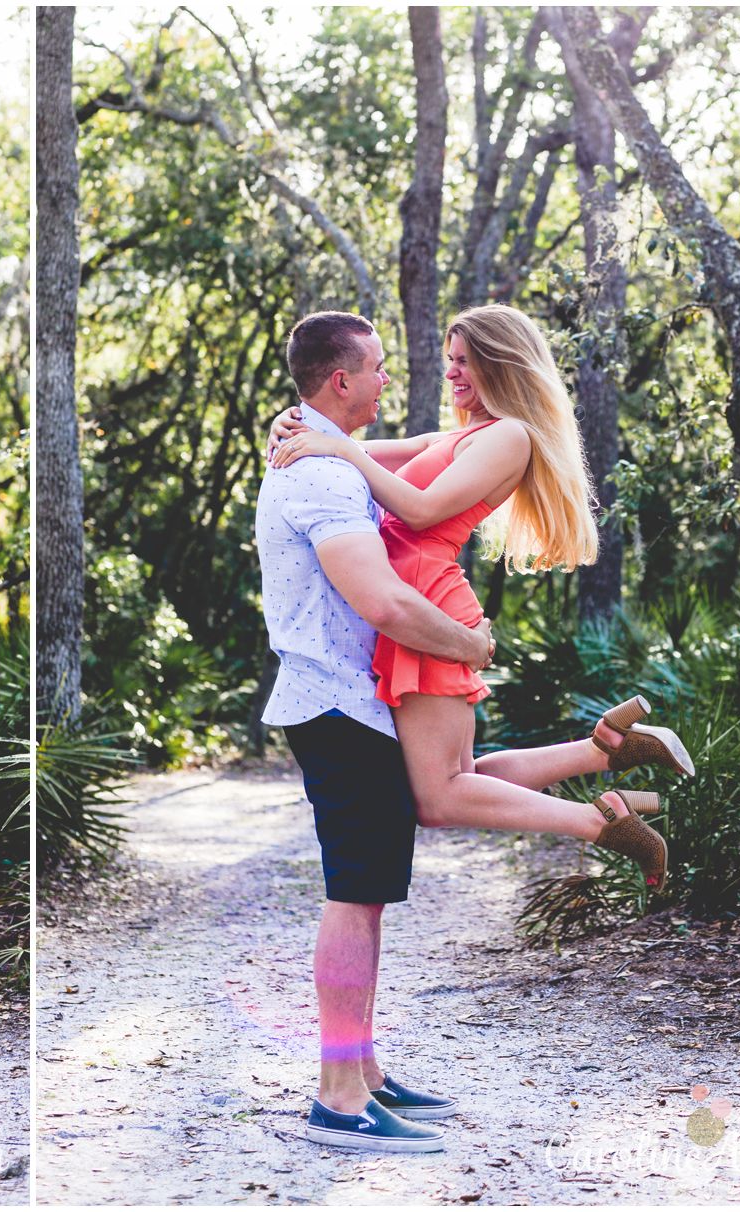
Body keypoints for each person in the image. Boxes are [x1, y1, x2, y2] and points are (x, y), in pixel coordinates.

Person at [268, 305, 689, 893]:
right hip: (417, 599)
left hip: (428, 601)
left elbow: (419, 509)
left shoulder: (511, 436)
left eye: (464, 361)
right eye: (450, 361)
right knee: (454, 779)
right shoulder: (469, 433)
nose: (452, 374)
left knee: (438, 796)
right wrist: (305, 432)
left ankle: (600, 820)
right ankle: (607, 749)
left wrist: (342, 452)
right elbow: (379, 449)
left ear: (500, 362)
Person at [255, 310, 495, 1152]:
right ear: (341, 380)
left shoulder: (326, 451)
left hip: (353, 703)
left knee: (369, 900)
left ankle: (363, 1073)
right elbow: (382, 601)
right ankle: (335, 1099)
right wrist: (471, 644)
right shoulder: (318, 474)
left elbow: (425, 450)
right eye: (380, 368)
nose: (391, 380)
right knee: (353, 899)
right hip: (336, 703)